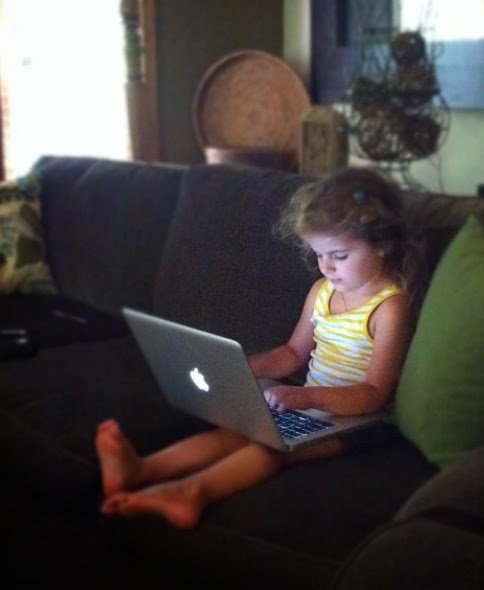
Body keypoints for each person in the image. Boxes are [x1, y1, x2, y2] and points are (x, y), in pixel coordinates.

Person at [95, 166, 427, 529]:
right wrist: (242, 367)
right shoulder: (322, 291)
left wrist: (305, 397)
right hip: (314, 409)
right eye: (319, 255)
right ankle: (142, 469)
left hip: (361, 426)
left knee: (270, 448)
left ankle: (191, 492)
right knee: (234, 432)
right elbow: (293, 353)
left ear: (382, 244)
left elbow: (373, 394)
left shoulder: (389, 307)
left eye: (339, 255)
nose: (327, 267)